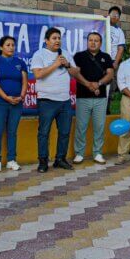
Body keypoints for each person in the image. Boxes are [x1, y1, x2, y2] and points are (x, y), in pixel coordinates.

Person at [31, 28, 82, 173]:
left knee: (65, 131)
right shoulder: (39, 54)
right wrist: (55, 64)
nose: (57, 41)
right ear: (46, 41)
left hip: (64, 100)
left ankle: (60, 159)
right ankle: (43, 161)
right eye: (54, 38)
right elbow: (38, 74)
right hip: (46, 100)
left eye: (59, 38)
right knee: (44, 132)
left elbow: (75, 73)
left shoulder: (65, 53)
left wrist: (67, 65)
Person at [73, 32, 114, 164]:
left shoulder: (106, 57)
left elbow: (110, 74)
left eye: (96, 40)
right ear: (87, 42)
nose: (93, 42)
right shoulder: (79, 56)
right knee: (81, 126)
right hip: (82, 97)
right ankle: (79, 153)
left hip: (100, 98)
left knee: (99, 127)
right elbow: (76, 73)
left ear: (100, 43)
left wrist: (99, 84)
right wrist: (88, 85)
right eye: (90, 40)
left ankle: (97, 153)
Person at [0, 36, 28, 172]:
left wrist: (21, 96)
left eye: (13, 45)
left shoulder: (20, 62)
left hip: (17, 103)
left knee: (12, 132)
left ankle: (11, 160)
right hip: (0, 103)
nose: (11, 47)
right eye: (8, 45)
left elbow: (24, 81)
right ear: (1, 47)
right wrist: (6, 97)